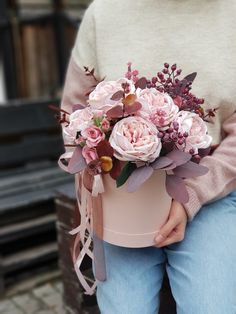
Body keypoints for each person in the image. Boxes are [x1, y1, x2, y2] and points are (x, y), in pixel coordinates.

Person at [61, 0, 236, 313]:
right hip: (122, 194)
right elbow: (73, 112)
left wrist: (192, 197)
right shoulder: (104, 13)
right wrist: (92, 166)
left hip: (209, 190)